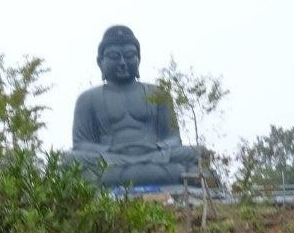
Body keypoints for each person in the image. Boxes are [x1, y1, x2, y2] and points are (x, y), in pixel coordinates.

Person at [68, 25, 203, 187]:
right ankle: (173, 176)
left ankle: (116, 180)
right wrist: (110, 151)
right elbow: (81, 144)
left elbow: (174, 138)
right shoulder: (88, 98)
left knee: (198, 153)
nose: (123, 62)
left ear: (139, 58)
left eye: (129, 55)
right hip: (110, 158)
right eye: (114, 56)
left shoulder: (159, 94)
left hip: (154, 155)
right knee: (69, 159)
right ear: (100, 62)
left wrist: (155, 147)